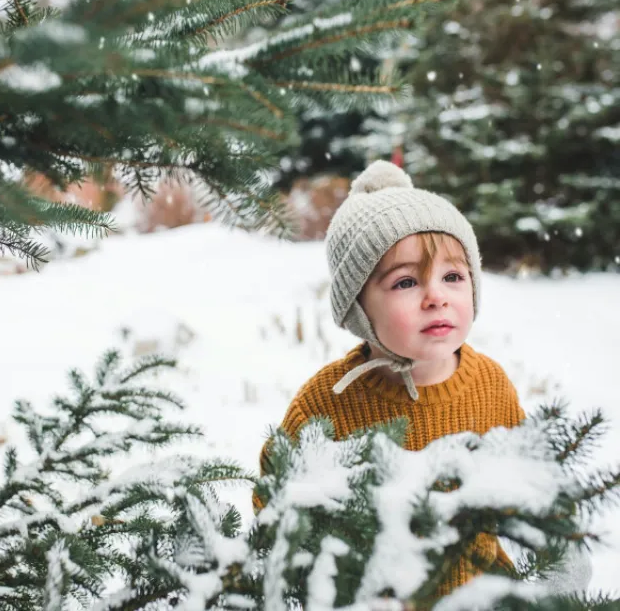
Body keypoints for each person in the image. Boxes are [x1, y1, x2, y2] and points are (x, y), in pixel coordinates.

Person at [253, 160, 592, 597]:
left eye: (453, 276)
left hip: (480, 596)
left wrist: (561, 581)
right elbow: (275, 499)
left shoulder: (488, 385)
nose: (436, 298)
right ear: (358, 307)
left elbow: (538, 491)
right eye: (406, 281)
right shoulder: (329, 401)